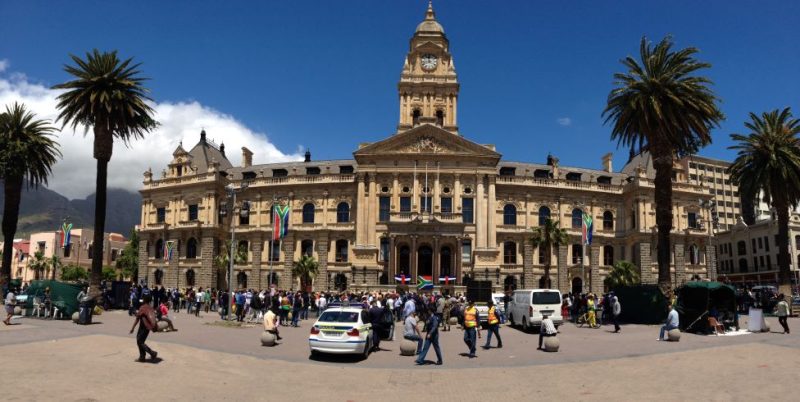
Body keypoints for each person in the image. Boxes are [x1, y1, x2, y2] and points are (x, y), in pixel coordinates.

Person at [129, 294, 158, 362]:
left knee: (140, 342)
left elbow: (137, 319)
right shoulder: (150, 307)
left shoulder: (142, 307)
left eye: (143, 299)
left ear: (144, 300)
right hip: (147, 328)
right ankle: (142, 357)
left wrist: (132, 328)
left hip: (143, 327)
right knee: (140, 341)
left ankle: (152, 353)